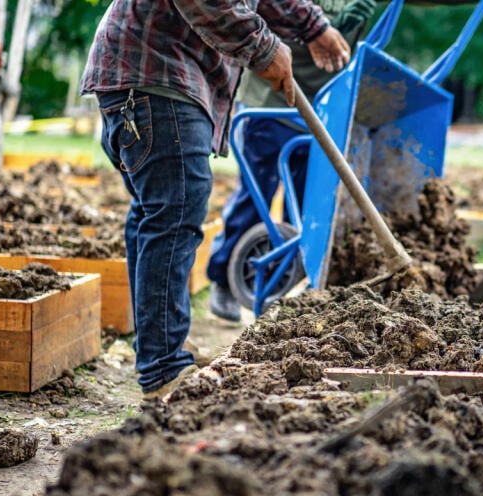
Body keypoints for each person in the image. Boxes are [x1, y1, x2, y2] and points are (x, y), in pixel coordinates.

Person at [80, 0, 351, 400]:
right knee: (173, 214)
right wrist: (266, 49)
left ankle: (161, 355)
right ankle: (163, 367)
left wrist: (313, 27)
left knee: (157, 216)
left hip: (150, 77)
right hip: (156, 74)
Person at [206, 0, 377, 322]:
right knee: (256, 195)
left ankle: (285, 285)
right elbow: (267, 8)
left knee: (304, 204)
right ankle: (224, 279)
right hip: (270, 98)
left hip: (322, 108)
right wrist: (323, 21)